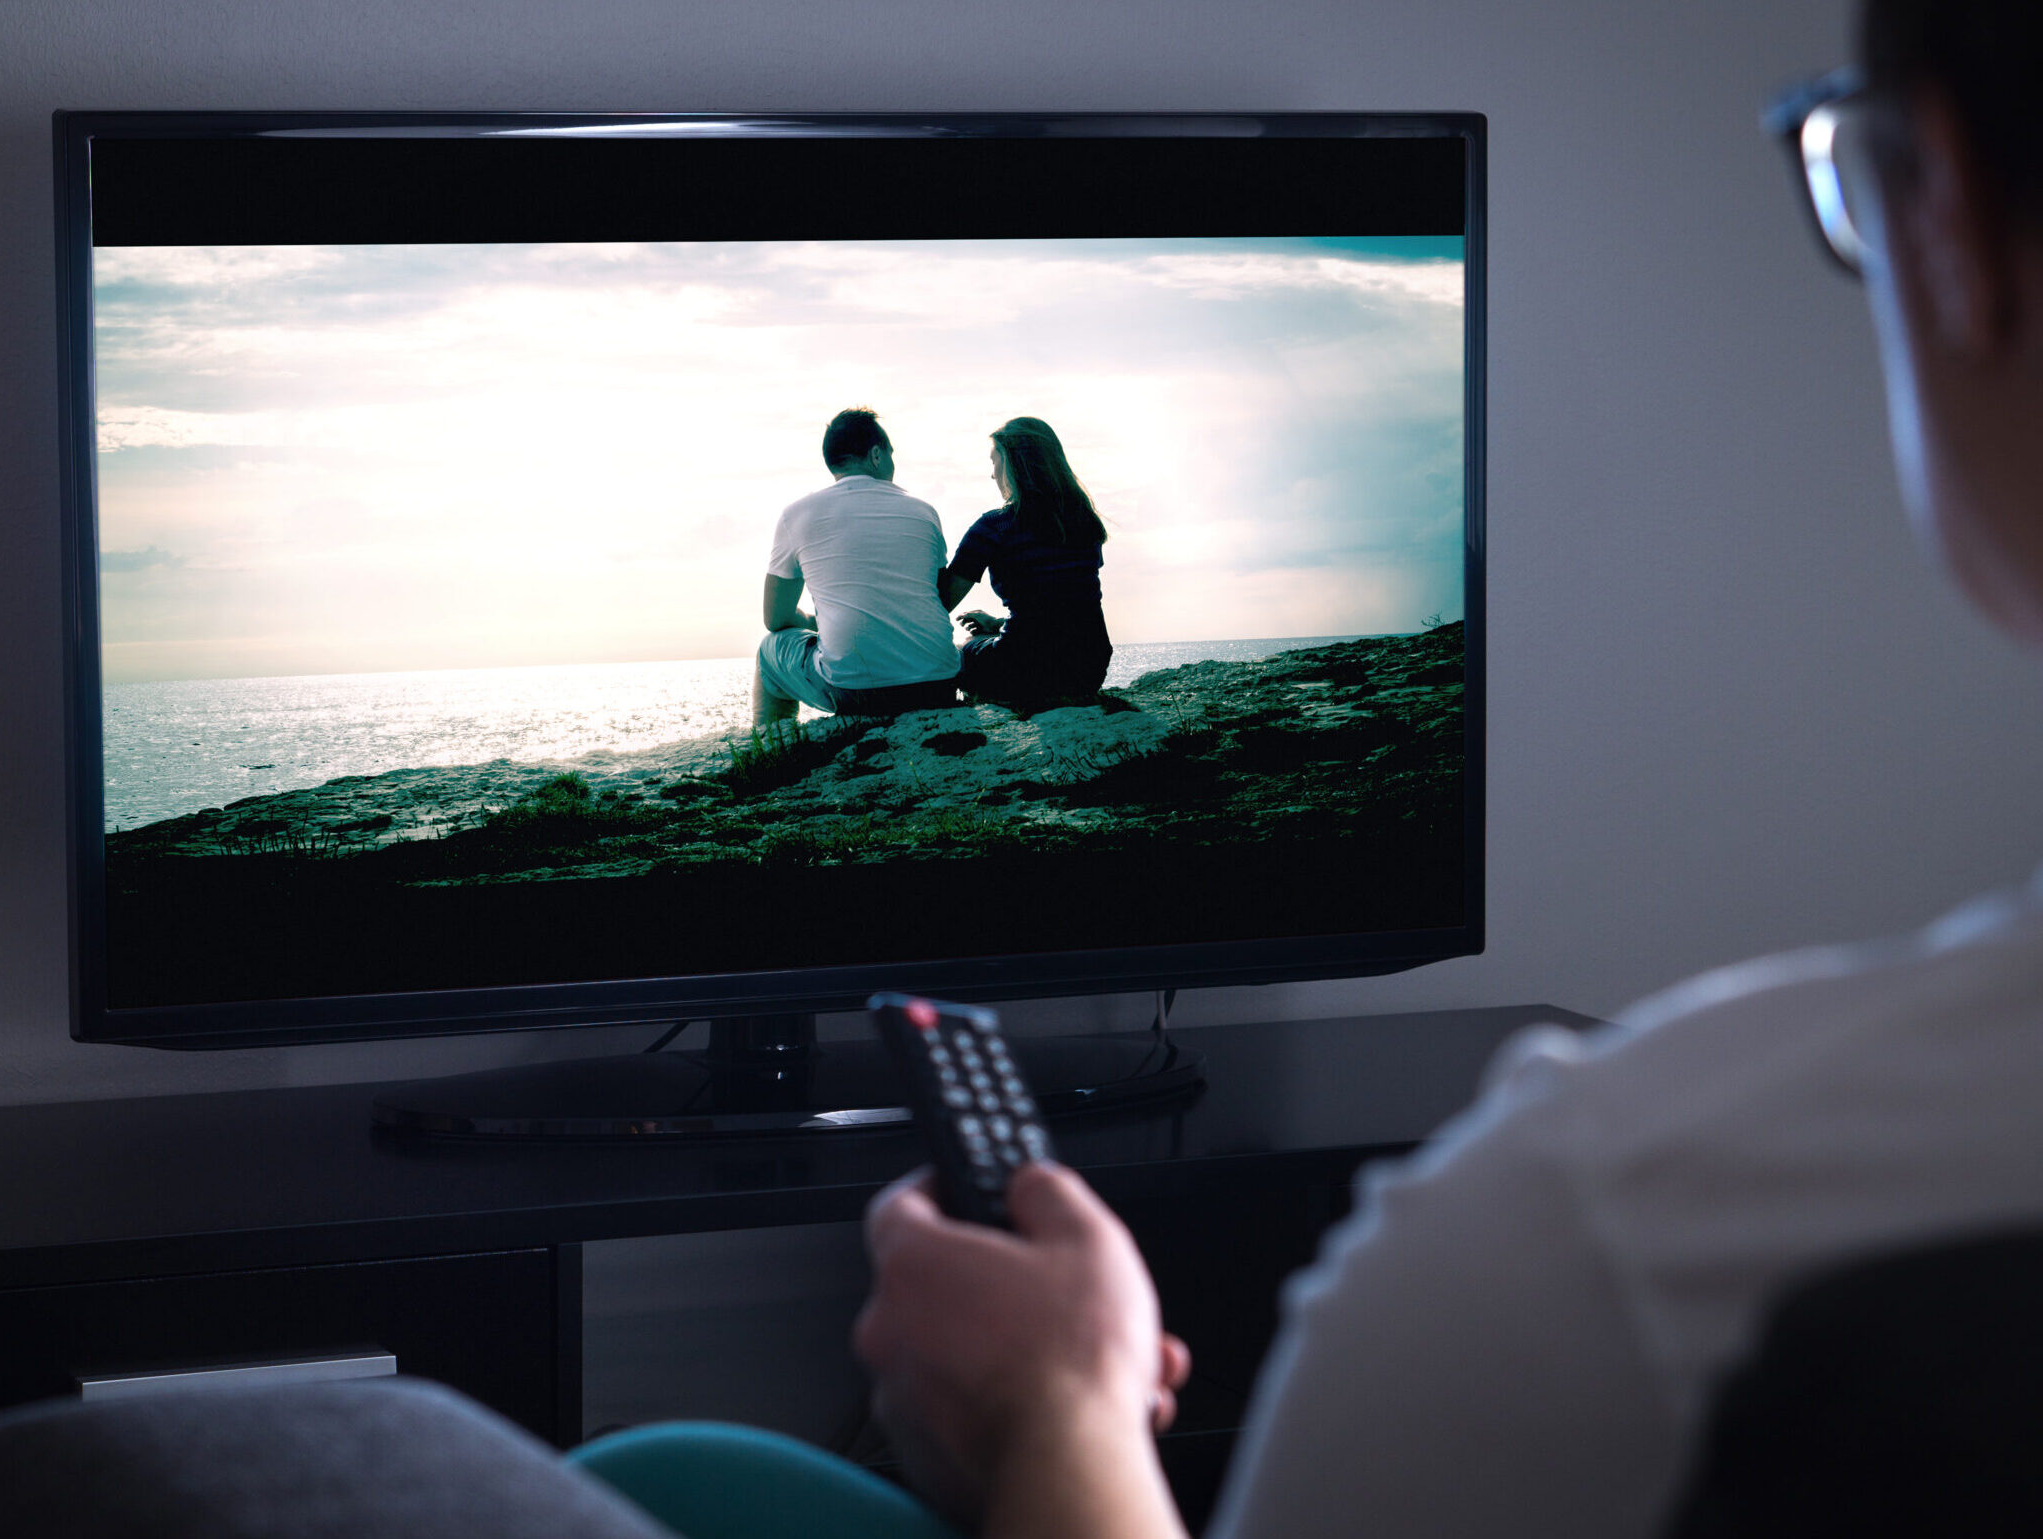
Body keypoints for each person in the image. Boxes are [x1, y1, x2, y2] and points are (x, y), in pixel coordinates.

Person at [853, 3, 2043, 1538]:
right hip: (1083, 663)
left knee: (677, 1473)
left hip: (1015, 682)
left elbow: (962, 601)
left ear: (1948, 214)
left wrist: (1054, 1417)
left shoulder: (1602, 1236)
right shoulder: (1075, 513)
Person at [753, 408, 962, 726]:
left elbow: (775, 618)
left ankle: (773, 745)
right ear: (876, 455)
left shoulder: (797, 515)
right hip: (938, 684)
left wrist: (814, 621)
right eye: (891, 454)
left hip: (857, 693)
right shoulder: (924, 512)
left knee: (769, 649)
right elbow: (932, 598)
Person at [938, 418, 1114, 705]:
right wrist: (998, 623)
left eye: (994, 461)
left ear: (1012, 463)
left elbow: (943, 601)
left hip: (1024, 669)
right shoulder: (1084, 521)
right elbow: (1064, 605)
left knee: (961, 648)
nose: (992, 475)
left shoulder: (995, 526)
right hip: (1088, 668)